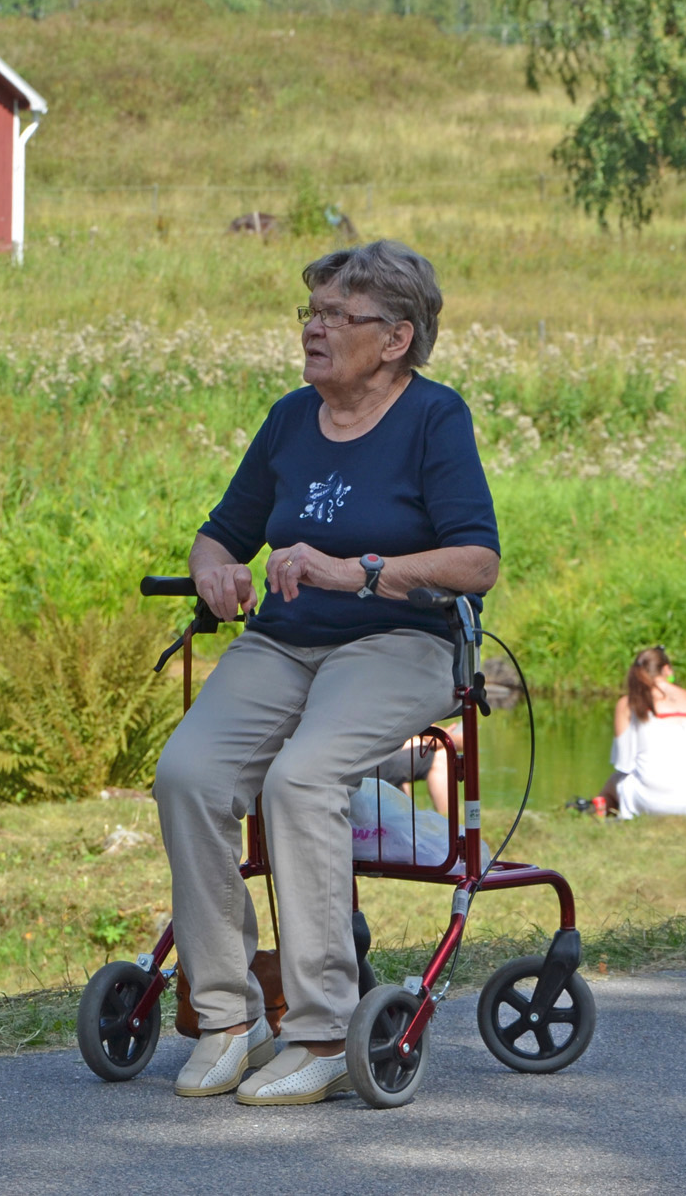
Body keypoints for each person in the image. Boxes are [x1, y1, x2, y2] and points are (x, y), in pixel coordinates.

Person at [153, 239, 499, 1106]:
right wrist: (216, 574)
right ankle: (230, 1017)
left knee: (303, 779)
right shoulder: (289, 418)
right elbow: (219, 535)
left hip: (400, 640)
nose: (314, 329)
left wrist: (362, 570)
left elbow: (477, 562)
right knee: (187, 774)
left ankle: (320, 1028)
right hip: (284, 641)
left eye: (338, 316)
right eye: (310, 312)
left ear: (395, 338)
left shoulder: (433, 417)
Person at [597, 646, 686, 819]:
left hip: (657, 800)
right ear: (666, 670)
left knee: (615, 781)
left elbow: (623, 764)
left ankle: (599, 821)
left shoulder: (628, 704)